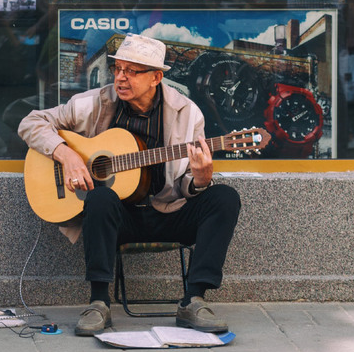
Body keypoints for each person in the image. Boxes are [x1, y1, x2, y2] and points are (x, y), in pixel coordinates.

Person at [18, 34, 242, 336]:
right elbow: (30, 123)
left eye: (131, 71)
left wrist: (201, 179)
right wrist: (67, 155)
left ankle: (194, 300)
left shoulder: (188, 114)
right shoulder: (92, 103)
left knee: (225, 198)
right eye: (118, 69)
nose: (121, 78)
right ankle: (98, 303)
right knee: (100, 198)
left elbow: (188, 183)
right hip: (116, 218)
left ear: (156, 77)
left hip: (168, 212)